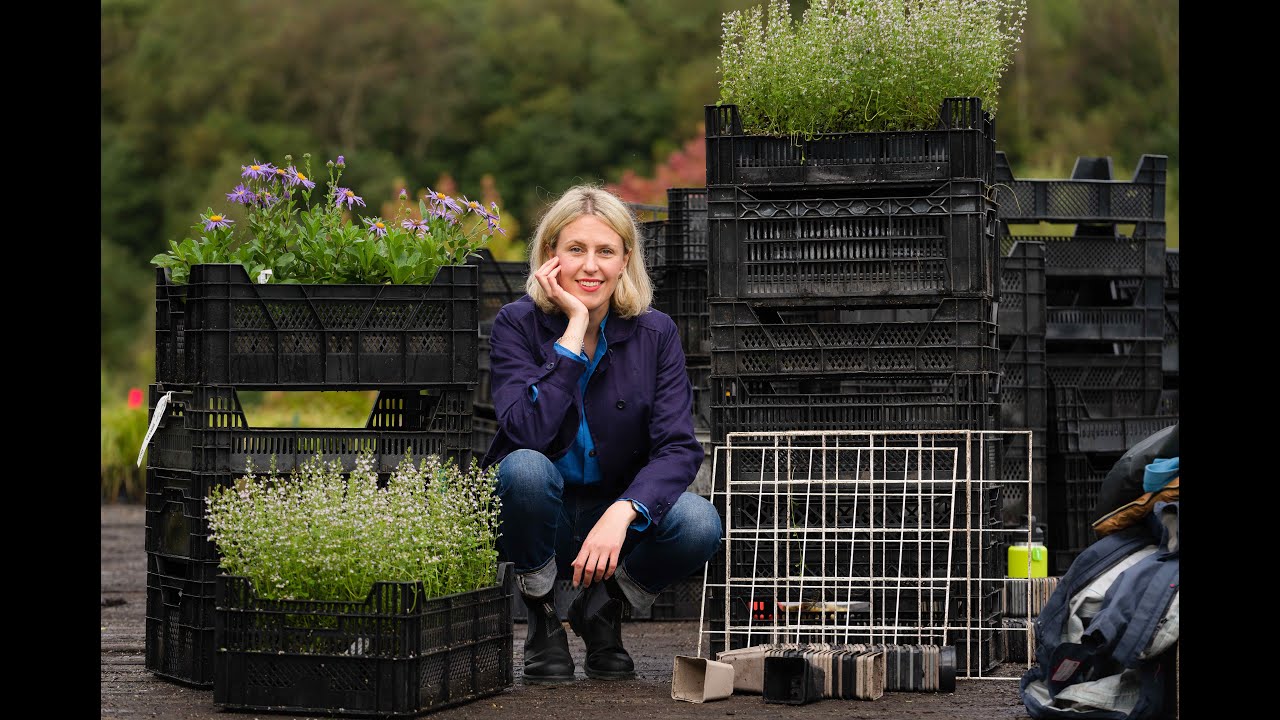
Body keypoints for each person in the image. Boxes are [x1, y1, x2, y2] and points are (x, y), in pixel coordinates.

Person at [480, 185, 722, 683]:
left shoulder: (655, 333)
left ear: (625, 260)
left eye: (605, 251)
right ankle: (542, 613)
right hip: (537, 516)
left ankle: (603, 610)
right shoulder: (516, 325)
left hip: (612, 525)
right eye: (576, 250)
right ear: (551, 256)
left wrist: (625, 510)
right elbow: (525, 430)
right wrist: (572, 333)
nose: (590, 266)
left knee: (700, 523)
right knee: (524, 469)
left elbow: (679, 447)